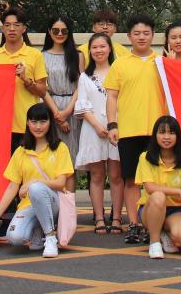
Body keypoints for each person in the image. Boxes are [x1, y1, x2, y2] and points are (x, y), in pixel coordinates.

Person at [105, 14, 168, 245]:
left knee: (156, 181)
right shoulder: (120, 63)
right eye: (137, 33)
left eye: (146, 33)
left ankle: (153, 224)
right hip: (129, 131)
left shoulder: (162, 62)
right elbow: (112, 96)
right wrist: (112, 124)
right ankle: (134, 224)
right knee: (131, 179)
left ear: (153, 35)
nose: (141, 37)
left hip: (158, 132)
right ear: (129, 36)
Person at [0, 103, 74, 258]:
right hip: (29, 205)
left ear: (50, 123)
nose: (38, 126)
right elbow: (12, 187)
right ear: (27, 123)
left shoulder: (60, 148)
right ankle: (38, 229)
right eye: (34, 122)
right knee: (14, 237)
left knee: (36, 188)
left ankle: (50, 237)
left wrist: (32, 182)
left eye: (43, 121)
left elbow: (60, 183)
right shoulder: (21, 151)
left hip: (54, 203)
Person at [74, 32, 124, 234]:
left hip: (116, 129)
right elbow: (82, 105)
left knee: (116, 175)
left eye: (102, 46)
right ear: (89, 51)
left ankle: (117, 217)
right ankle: (99, 217)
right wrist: (97, 126)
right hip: (92, 129)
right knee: (96, 175)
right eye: (94, 47)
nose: (98, 50)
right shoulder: (85, 77)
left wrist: (112, 125)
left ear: (110, 48)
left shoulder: (119, 71)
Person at [136, 115, 181, 260]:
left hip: (174, 211)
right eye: (162, 132)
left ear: (178, 137)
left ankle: (164, 232)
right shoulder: (145, 157)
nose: (166, 137)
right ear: (155, 135)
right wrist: (178, 191)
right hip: (150, 208)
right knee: (158, 196)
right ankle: (154, 242)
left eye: (171, 133)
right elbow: (150, 188)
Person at [0, 7, 48, 150]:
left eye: (16, 25)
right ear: (2, 29)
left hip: (26, 125)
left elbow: (42, 91)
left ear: (24, 28)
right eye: (7, 25)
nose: (12, 29)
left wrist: (26, 79)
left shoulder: (35, 55)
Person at [42, 15, 80, 178]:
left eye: (64, 31)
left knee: (71, 159)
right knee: (51, 157)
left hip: (73, 108)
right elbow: (42, 89)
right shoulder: (41, 56)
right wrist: (58, 115)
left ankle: (69, 195)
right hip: (50, 107)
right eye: (55, 30)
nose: (59, 34)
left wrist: (67, 111)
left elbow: (81, 86)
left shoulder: (77, 55)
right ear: (49, 31)